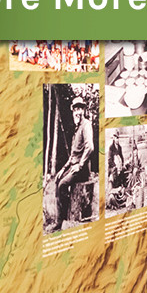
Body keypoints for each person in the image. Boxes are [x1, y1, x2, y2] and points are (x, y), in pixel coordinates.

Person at [55, 96, 94, 228]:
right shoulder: (76, 129)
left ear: (84, 110)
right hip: (74, 166)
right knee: (57, 179)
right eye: (75, 109)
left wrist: (80, 165)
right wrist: (63, 169)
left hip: (82, 170)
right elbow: (73, 156)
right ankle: (60, 219)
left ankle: (63, 221)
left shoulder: (86, 125)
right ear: (73, 111)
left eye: (80, 108)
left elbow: (90, 147)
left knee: (62, 185)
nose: (77, 112)